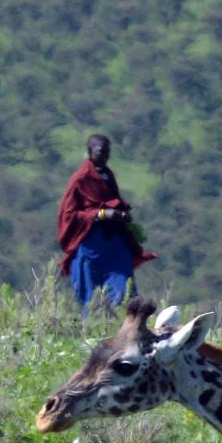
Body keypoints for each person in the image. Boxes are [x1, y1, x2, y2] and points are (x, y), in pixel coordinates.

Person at [55, 134, 155, 312]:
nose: (105, 156)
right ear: (90, 152)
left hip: (113, 244)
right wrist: (102, 214)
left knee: (124, 289)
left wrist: (121, 215)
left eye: (108, 152)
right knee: (89, 296)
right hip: (90, 244)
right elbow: (69, 214)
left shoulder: (108, 175)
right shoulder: (81, 178)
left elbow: (114, 200)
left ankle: (127, 326)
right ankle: (93, 329)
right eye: (101, 152)